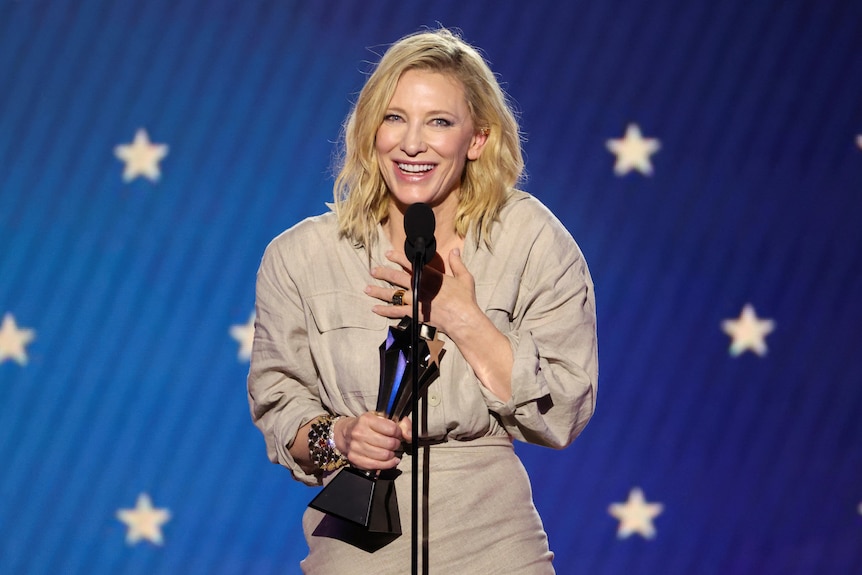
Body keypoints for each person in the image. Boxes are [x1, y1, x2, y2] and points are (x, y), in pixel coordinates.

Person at [248, 27, 598, 574]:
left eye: (439, 121)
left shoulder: (528, 238)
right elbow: (280, 406)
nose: (413, 143)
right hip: (357, 545)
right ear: (370, 132)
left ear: (477, 139)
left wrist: (462, 317)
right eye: (394, 118)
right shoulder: (300, 256)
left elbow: (564, 412)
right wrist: (340, 436)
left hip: (494, 542)